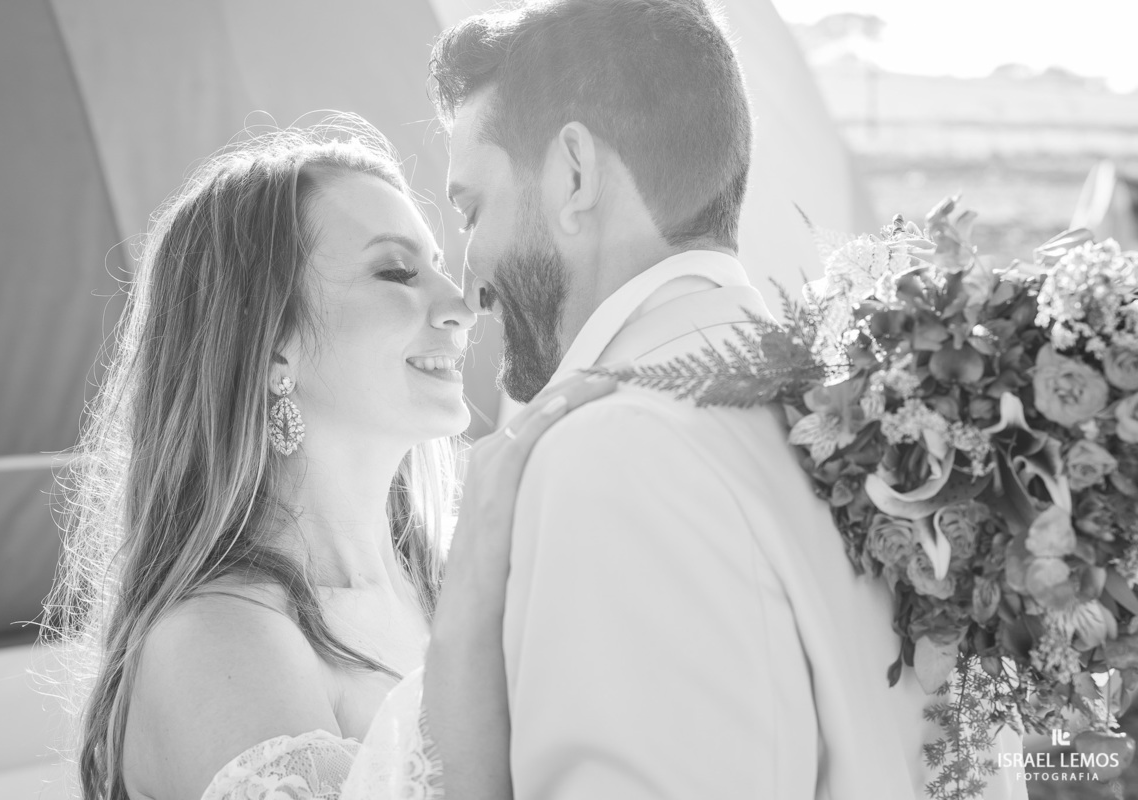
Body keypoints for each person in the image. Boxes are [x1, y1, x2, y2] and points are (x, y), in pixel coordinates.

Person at [423, 1, 1028, 798]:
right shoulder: (880, 425)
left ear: (574, 173)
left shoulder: (612, 454)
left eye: (472, 209)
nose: (467, 274)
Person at [41, 118, 614, 800]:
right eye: (397, 271)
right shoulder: (216, 640)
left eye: (437, 263)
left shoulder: (449, 587)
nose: (461, 304)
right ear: (274, 344)